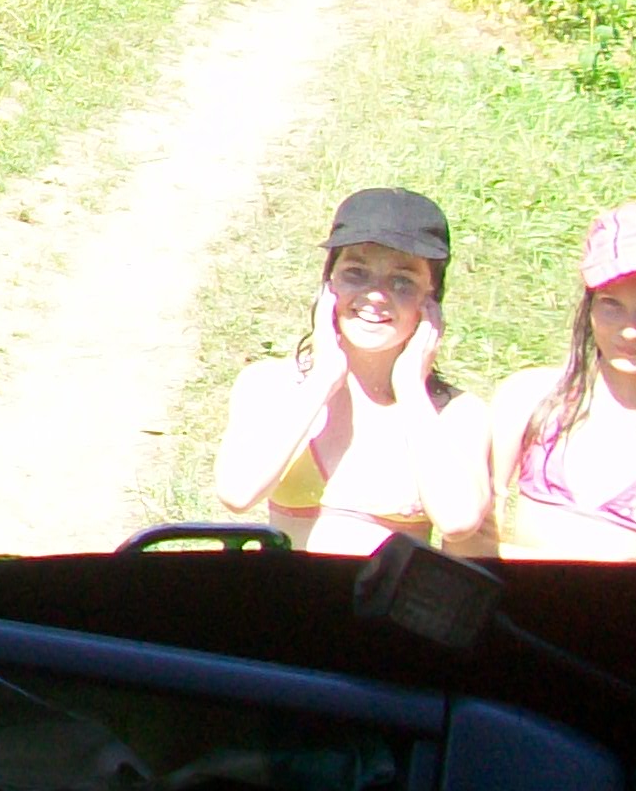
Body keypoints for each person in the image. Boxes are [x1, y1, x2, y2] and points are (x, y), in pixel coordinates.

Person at [208, 188, 490, 555]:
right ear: (329, 284)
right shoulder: (270, 384)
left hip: (386, 595)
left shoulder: (457, 413)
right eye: (356, 273)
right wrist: (323, 378)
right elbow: (237, 492)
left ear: (431, 299)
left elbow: (458, 521)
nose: (376, 295)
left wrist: (410, 388)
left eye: (402, 281)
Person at [483, 202, 636, 563]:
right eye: (611, 304)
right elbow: (469, 541)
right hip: (518, 597)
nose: (630, 330)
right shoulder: (529, 397)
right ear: (588, 307)